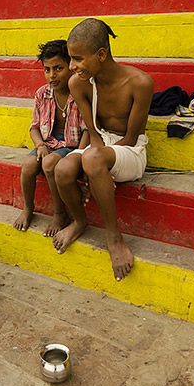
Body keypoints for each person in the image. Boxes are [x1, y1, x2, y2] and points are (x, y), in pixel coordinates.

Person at [53, 18, 154, 281]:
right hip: (101, 147)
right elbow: (94, 135)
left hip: (130, 150)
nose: (71, 67)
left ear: (101, 54)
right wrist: (91, 166)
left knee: (94, 158)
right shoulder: (79, 83)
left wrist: (95, 164)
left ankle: (114, 237)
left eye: (77, 59)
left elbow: (132, 138)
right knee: (62, 169)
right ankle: (80, 221)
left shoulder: (140, 83)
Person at [13, 39, 89, 235]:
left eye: (58, 68)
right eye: (47, 69)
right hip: (48, 141)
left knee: (48, 165)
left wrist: (79, 154)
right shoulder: (42, 93)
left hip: (71, 144)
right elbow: (34, 128)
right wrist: (39, 145)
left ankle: (59, 213)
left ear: (71, 68)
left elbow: (88, 129)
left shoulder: (80, 93)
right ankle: (28, 208)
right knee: (28, 165)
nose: (52, 75)